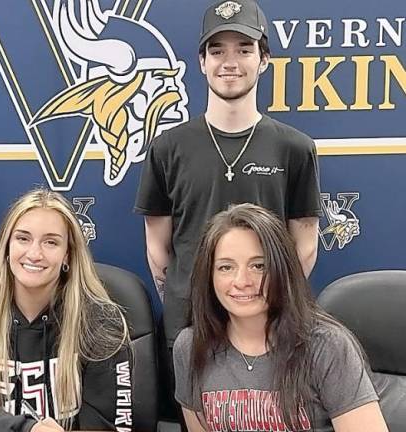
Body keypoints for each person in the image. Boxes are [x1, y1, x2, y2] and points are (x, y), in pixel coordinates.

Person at [134, 0, 321, 422]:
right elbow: (159, 248)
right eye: (217, 50)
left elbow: (304, 246)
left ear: (264, 59)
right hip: (189, 330)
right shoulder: (168, 148)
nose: (230, 62)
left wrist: (262, 303)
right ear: (201, 62)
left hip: (269, 332)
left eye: (244, 48)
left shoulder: (295, 148)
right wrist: (192, 299)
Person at [173, 203, 388, 432]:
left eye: (258, 266)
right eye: (226, 267)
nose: (242, 281)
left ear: (281, 270)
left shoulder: (327, 346)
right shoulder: (191, 346)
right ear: (209, 276)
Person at [0, 189, 133, 432]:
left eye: (51, 242)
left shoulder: (102, 325)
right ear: (6, 249)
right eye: (23, 238)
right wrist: (29, 429)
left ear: (67, 255)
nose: (34, 253)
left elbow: (108, 426)